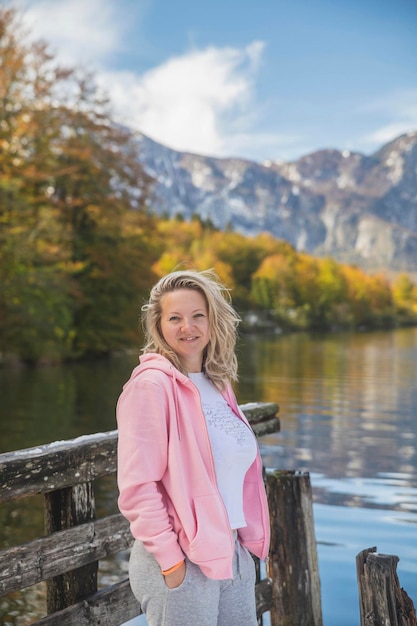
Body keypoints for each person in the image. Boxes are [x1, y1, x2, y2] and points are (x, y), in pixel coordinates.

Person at [116, 269, 270, 626]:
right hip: (183, 559)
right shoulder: (151, 387)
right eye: (175, 318)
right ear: (159, 326)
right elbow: (138, 487)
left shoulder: (218, 385)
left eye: (198, 315)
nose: (188, 327)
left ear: (213, 321)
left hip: (231, 553)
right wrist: (172, 564)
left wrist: (243, 547)